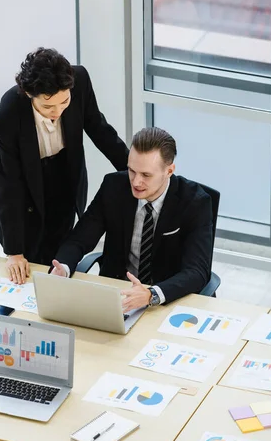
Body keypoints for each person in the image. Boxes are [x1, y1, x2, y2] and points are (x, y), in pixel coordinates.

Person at [0, 47, 129, 284]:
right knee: (27, 261)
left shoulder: (79, 81)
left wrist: (132, 171)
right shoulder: (9, 112)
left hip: (63, 174)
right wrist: (14, 251)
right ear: (30, 94)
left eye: (64, 103)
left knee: (57, 255)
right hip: (22, 187)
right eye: (48, 107)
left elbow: (100, 130)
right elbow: (9, 185)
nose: (58, 112)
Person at [51, 127, 213, 311]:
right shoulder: (113, 187)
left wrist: (151, 294)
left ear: (169, 171)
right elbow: (79, 239)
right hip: (118, 296)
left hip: (165, 300)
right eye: (132, 171)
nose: (136, 182)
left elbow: (197, 271)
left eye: (146, 175)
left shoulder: (195, 202)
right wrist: (63, 267)